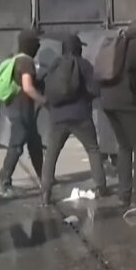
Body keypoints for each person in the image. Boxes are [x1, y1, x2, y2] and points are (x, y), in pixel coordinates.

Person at [39, 34, 108, 204]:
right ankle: (100, 186)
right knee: (93, 149)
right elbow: (95, 89)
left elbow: (45, 87)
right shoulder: (84, 65)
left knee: (51, 153)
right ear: (78, 48)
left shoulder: (55, 65)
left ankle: (45, 192)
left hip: (57, 117)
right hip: (81, 115)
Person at [101, 16, 136, 214]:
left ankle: (123, 195)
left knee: (124, 146)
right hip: (126, 101)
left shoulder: (119, 39)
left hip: (107, 100)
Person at [0, 30, 44, 198]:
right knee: (16, 147)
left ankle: (44, 178)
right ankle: (3, 182)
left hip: (19, 109)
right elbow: (28, 87)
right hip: (21, 111)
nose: (38, 46)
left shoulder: (16, 59)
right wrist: (43, 100)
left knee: (35, 144)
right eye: (36, 43)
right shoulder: (26, 61)